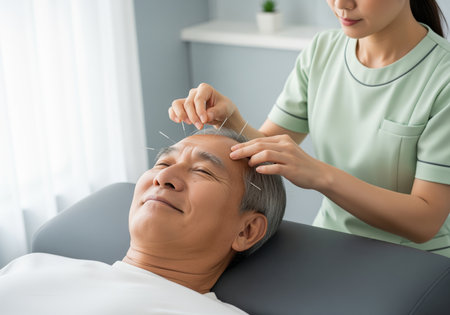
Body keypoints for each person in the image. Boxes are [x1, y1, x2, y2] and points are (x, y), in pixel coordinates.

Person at [169, 0, 450, 257]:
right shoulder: (322, 51)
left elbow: (424, 221)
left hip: (417, 263)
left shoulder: (442, 77)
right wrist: (230, 119)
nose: (341, 4)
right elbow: (269, 145)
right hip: (329, 243)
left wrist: (320, 175)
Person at [0, 129, 286, 315]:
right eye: (162, 164)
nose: (164, 178)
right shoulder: (32, 265)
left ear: (246, 231)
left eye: (203, 171)